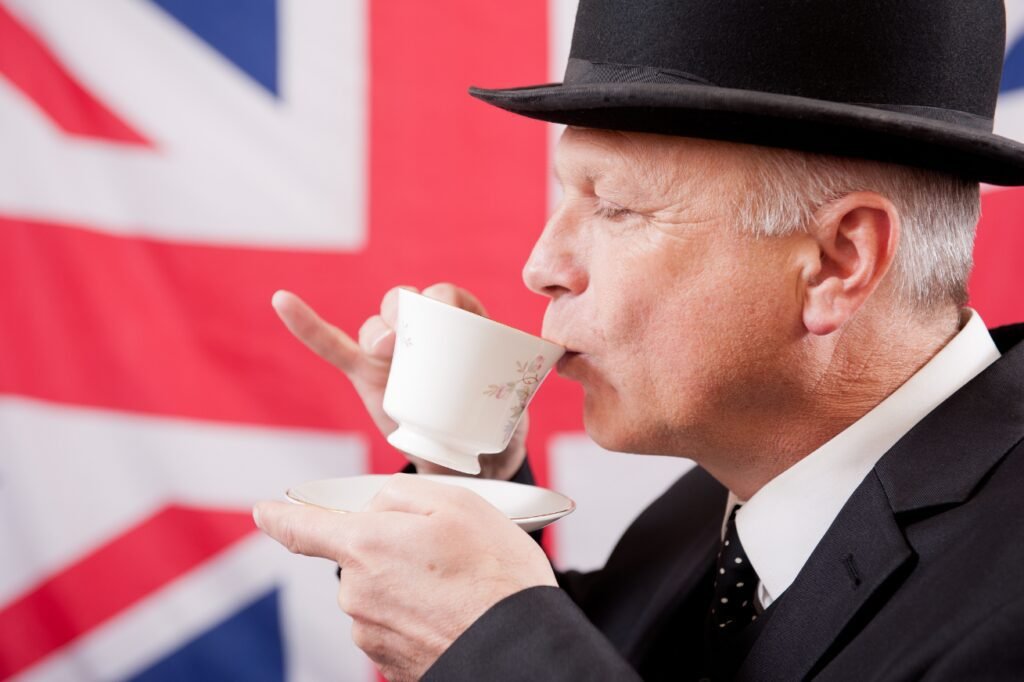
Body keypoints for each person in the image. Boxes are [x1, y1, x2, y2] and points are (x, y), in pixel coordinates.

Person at [253, 1, 1024, 679]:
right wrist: (461, 469)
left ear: (836, 261)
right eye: (567, 195)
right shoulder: (720, 497)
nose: (540, 267)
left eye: (615, 206)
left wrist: (499, 651)